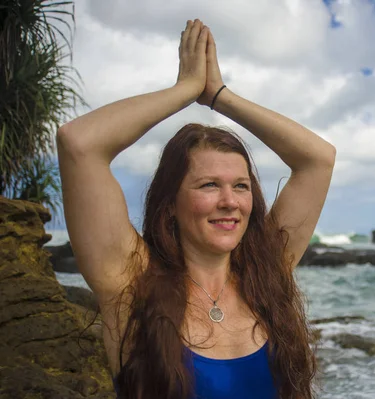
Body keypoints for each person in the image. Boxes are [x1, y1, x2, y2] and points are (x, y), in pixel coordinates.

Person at [57, 19, 335, 399]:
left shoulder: (267, 273)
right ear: (170, 205)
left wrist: (219, 94)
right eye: (209, 185)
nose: (230, 201)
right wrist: (186, 89)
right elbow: (79, 143)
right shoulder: (132, 284)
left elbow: (318, 159)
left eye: (241, 186)